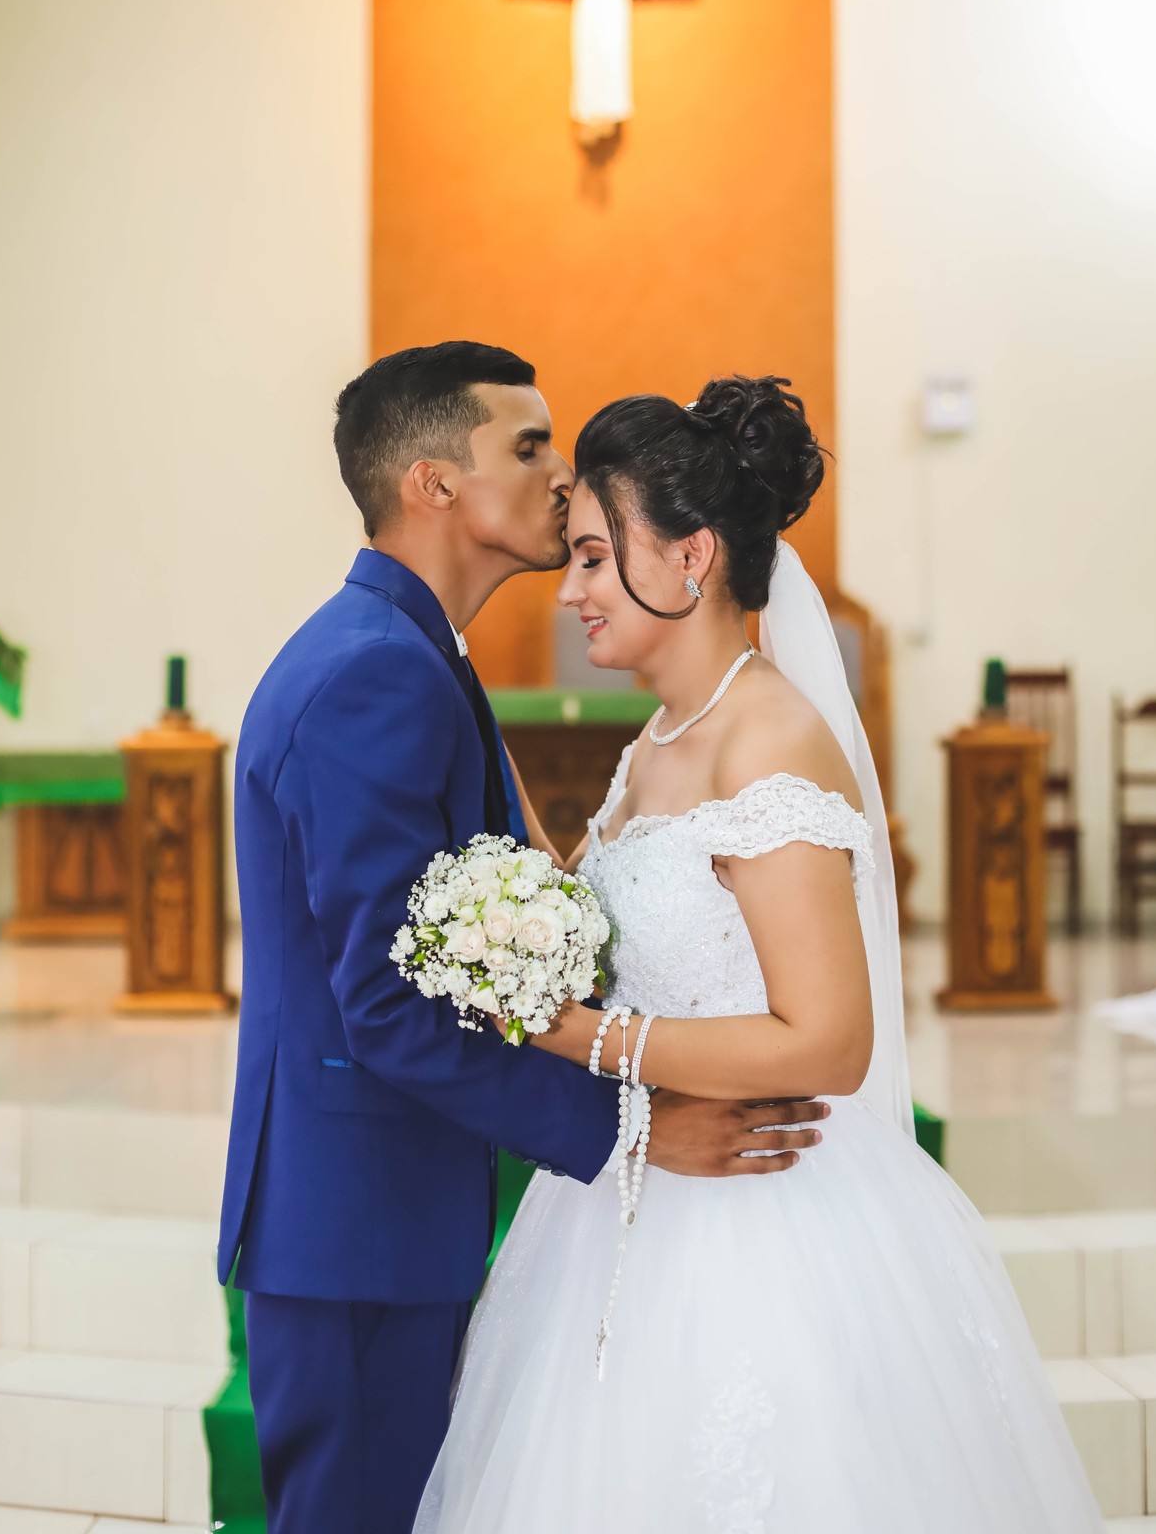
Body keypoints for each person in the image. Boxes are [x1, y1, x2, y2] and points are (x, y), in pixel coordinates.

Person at [415, 375, 1104, 1533]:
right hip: (640, 1187)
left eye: (595, 558)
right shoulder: (661, 737)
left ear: (691, 559)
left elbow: (829, 1041)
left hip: (762, 1205)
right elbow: (595, 916)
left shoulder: (771, 741)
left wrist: (585, 1038)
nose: (572, 591)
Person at [217, 344, 827, 1534]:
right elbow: (385, 1003)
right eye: (529, 445)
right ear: (434, 483)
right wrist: (631, 1130)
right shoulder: (378, 673)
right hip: (360, 1222)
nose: (561, 476)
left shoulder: (408, 654)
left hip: (384, 1208)